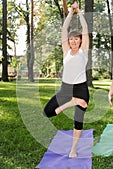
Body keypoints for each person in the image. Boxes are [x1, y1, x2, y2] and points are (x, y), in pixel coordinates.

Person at [43, 1, 89, 158]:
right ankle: (71, 102)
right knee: (47, 112)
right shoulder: (66, 51)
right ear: (68, 41)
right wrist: (71, 12)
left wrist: (80, 12)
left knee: (78, 121)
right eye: (71, 39)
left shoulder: (84, 51)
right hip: (66, 89)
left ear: (80, 40)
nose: (74, 41)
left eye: (77, 39)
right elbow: (64, 29)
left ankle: (73, 149)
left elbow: (86, 31)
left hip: (81, 89)